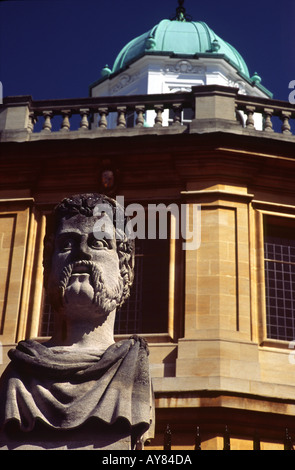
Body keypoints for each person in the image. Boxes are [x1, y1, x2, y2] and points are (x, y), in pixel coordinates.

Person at [0, 194, 154, 450]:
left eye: (99, 243)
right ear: (48, 267)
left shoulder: (134, 368)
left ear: (125, 269)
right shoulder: (18, 374)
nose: (82, 252)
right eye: (67, 244)